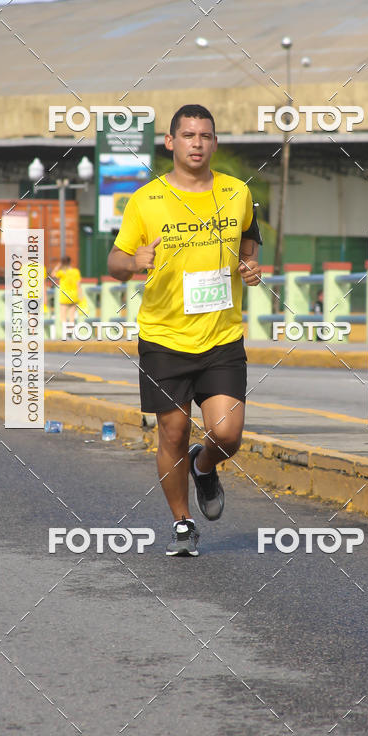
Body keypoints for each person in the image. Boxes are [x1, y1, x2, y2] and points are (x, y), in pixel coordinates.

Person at [107, 104, 262, 556]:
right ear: (170, 142)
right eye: (189, 135)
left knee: (227, 435)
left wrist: (251, 268)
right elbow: (115, 261)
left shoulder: (237, 193)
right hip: (164, 338)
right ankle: (182, 523)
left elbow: (249, 248)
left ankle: (205, 465)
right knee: (173, 434)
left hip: (221, 337)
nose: (197, 143)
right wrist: (133, 262)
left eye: (205, 136)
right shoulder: (146, 200)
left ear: (214, 142)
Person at [53, 255, 82, 327]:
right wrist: (80, 296)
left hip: (64, 296)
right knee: (72, 317)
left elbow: (53, 274)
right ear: (70, 262)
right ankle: (71, 332)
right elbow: (78, 285)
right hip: (74, 296)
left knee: (63, 317)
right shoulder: (76, 271)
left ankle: (64, 332)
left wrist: (58, 266)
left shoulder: (62, 272)